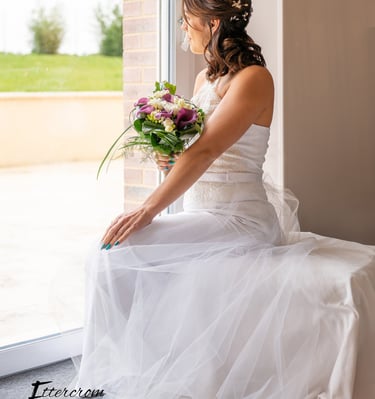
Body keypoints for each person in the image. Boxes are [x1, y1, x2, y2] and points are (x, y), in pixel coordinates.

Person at [68, 0, 375, 398]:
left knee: (111, 253)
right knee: (109, 254)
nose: (182, 29)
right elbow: (194, 156)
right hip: (203, 213)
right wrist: (169, 157)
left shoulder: (254, 78)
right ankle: (125, 373)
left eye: (187, 21)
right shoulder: (202, 82)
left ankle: (114, 380)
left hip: (240, 220)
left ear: (212, 24)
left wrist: (148, 209)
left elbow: (207, 151)